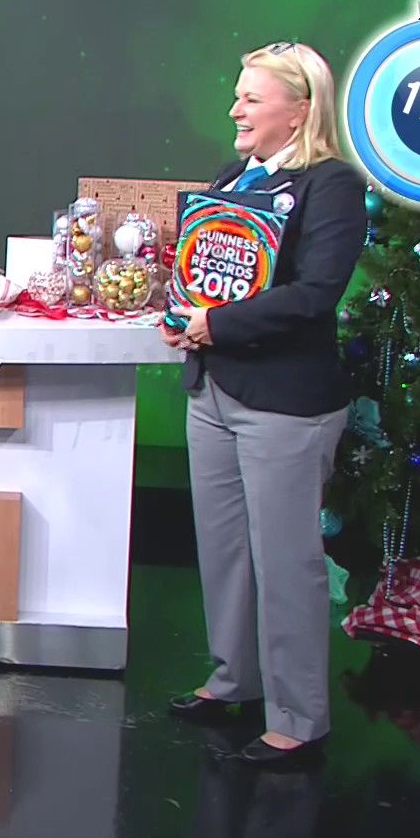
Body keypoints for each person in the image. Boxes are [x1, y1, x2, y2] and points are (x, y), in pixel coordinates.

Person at [162, 41, 367, 769]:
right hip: (213, 389)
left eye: (251, 98)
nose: (235, 110)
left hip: (285, 403)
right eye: (238, 95)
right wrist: (182, 312)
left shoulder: (332, 185)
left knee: (285, 561)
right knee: (224, 550)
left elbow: (315, 295)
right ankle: (234, 681)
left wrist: (215, 324)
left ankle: (299, 718)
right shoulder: (232, 178)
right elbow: (203, 272)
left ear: (300, 110)